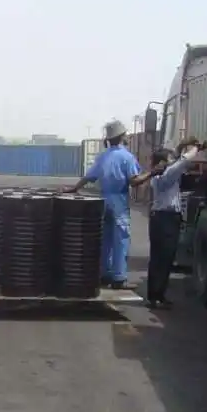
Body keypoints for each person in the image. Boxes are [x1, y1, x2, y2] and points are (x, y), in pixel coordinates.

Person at [63, 120, 161, 290]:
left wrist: (73, 188)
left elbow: (89, 177)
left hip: (104, 200)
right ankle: (119, 277)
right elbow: (134, 181)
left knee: (106, 238)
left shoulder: (103, 156)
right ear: (122, 137)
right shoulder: (126, 157)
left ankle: (104, 274)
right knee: (121, 239)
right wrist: (152, 172)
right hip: (119, 202)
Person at [146, 137, 207, 309]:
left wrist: (182, 147)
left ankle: (155, 295)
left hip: (160, 218)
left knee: (158, 259)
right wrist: (197, 149)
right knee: (164, 259)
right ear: (163, 162)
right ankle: (157, 297)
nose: (172, 161)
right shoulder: (165, 176)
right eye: (169, 160)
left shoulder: (159, 176)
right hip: (166, 219)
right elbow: (182, 163)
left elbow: (178, 161)